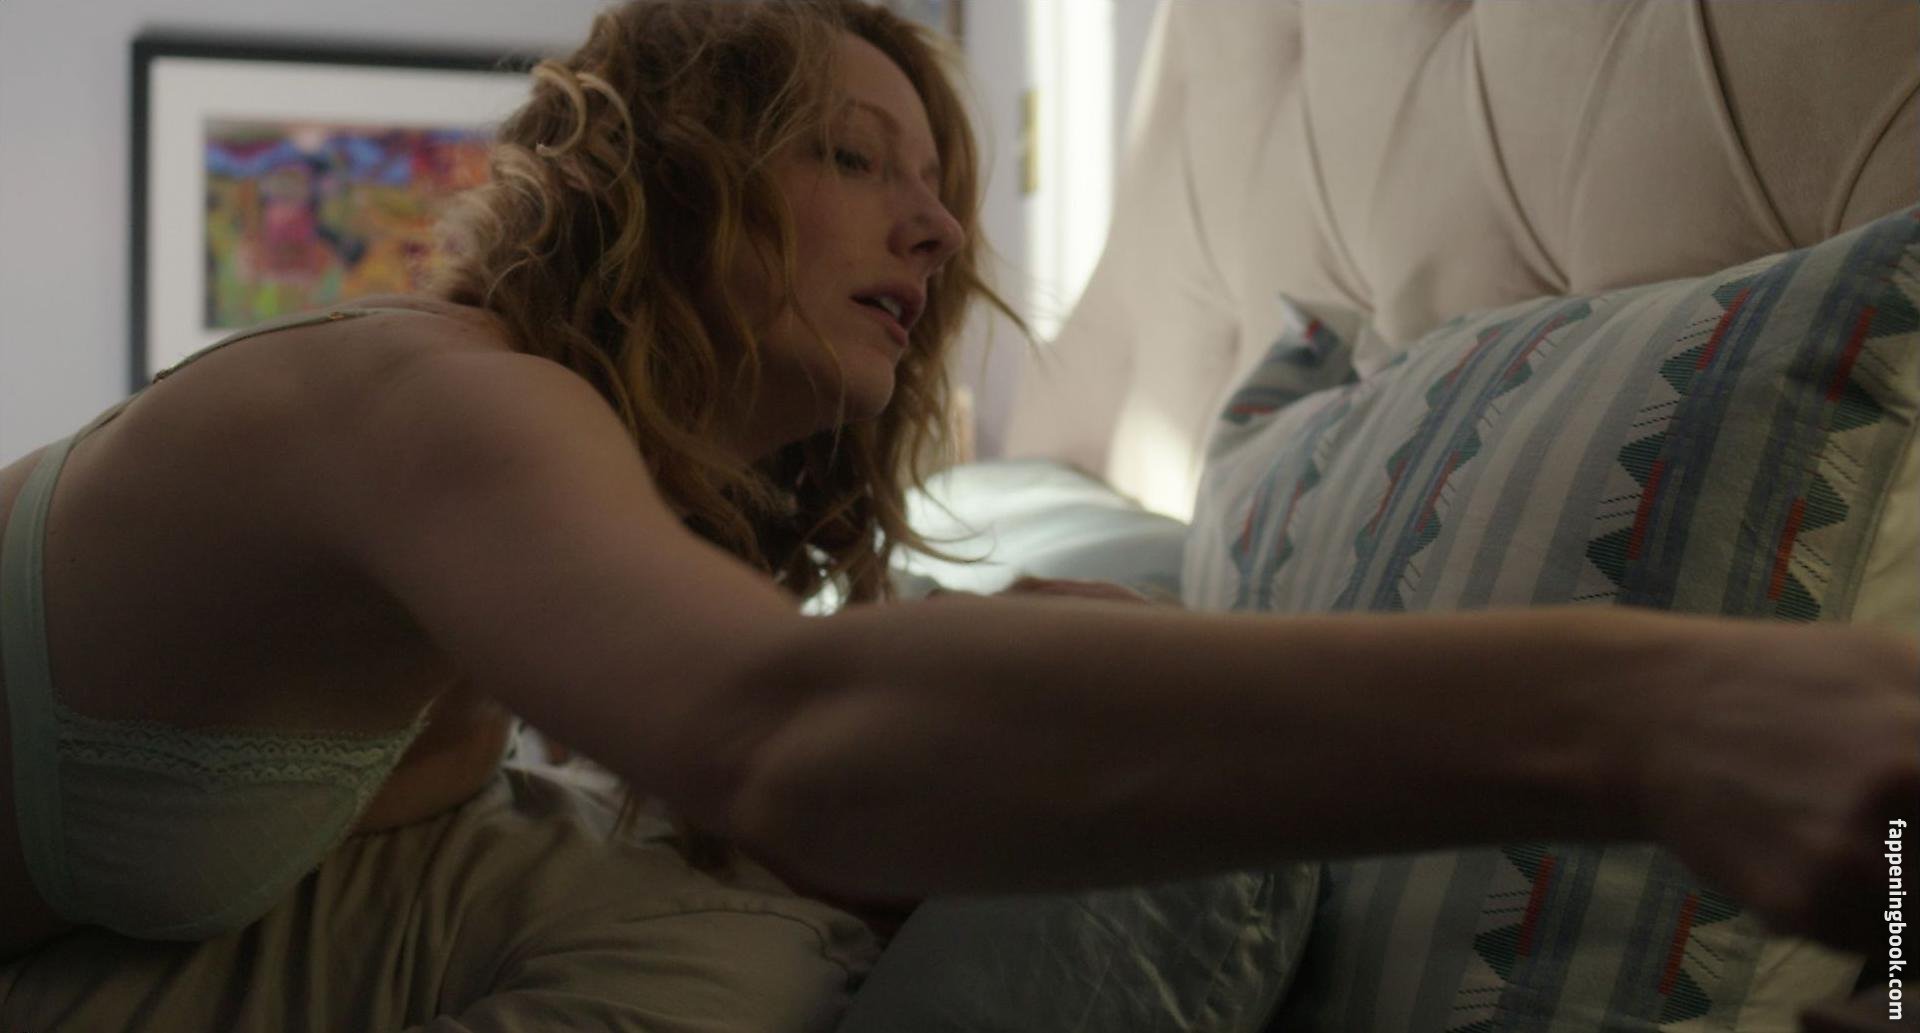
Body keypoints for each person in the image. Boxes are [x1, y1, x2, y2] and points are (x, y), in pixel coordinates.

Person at [0, 0, 1913, 977]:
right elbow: (789, 737)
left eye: (940, 186)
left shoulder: (581, 522)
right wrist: (1657, 710)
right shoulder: (432, 404)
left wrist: (1046, 682)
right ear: (667, 176)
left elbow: (770, 775)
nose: (933, 230)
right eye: (854, 157)